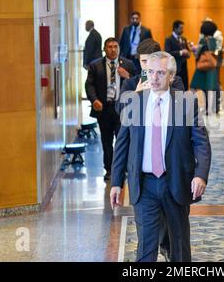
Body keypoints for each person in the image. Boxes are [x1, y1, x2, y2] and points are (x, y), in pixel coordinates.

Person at [110, 51, 211, 262]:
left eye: (160, 73)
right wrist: (116, 182)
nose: (154, 78)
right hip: (144, 184)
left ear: (171, 76)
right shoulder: (134, 102)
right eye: (150, 72)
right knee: (146, 248)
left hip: (174, 181)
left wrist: (200, 175)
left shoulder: (185, 102)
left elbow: (201, 141)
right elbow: (122, 143)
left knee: (179, 247)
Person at [116, 38, 184, 261]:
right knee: (146, 239)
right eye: (144, 62)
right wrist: (136, 94)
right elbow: (122, 130)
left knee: (176, 238)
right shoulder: (132, 85)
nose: (148, 70)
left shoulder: (176, 83)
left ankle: (167, 248)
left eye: (153, 64)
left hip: (172, 177)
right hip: (144, 179)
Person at [85, 38, 135, 181]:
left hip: (122, 109)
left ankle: (122, 169)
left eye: (115, 46)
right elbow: (89, 85)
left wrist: (128, 76)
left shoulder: (128, 64)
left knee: (122, 140)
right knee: (106, 142)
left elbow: (140, 82)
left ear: (119, 48)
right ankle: (109, 170)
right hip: (104, 109)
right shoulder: (95, 66)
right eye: (109, 47)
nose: (113, 49)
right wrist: (94, 100)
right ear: (104, 49)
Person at [116, 38, 185, 115]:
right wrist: (136, 95)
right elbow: (119, 109)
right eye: (144, 61)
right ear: (139, 61)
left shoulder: (174, 80)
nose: (148, 66)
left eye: (151, 60)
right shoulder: (130, 83)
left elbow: (181, 107)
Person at [190, 21, 219, 115]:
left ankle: (193, 107)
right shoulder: (214, 40)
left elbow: (198, 52)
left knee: (194, 87)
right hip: (211, 68)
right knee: (208, 88)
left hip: (202, 67)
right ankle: (208, 109)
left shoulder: (203, 40)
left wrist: (193, 48)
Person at [165, 20, 191, 90]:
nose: (182, 30)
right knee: (176, 86)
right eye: (181, 28)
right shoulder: (169, 39)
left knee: (185, 85)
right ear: (175, 28)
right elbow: (168, 53)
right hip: (175, 67)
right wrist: (181, 52)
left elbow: (187, 50)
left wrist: (188, 53)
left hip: (184, 67)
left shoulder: (183, 39)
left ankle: (184, 100)